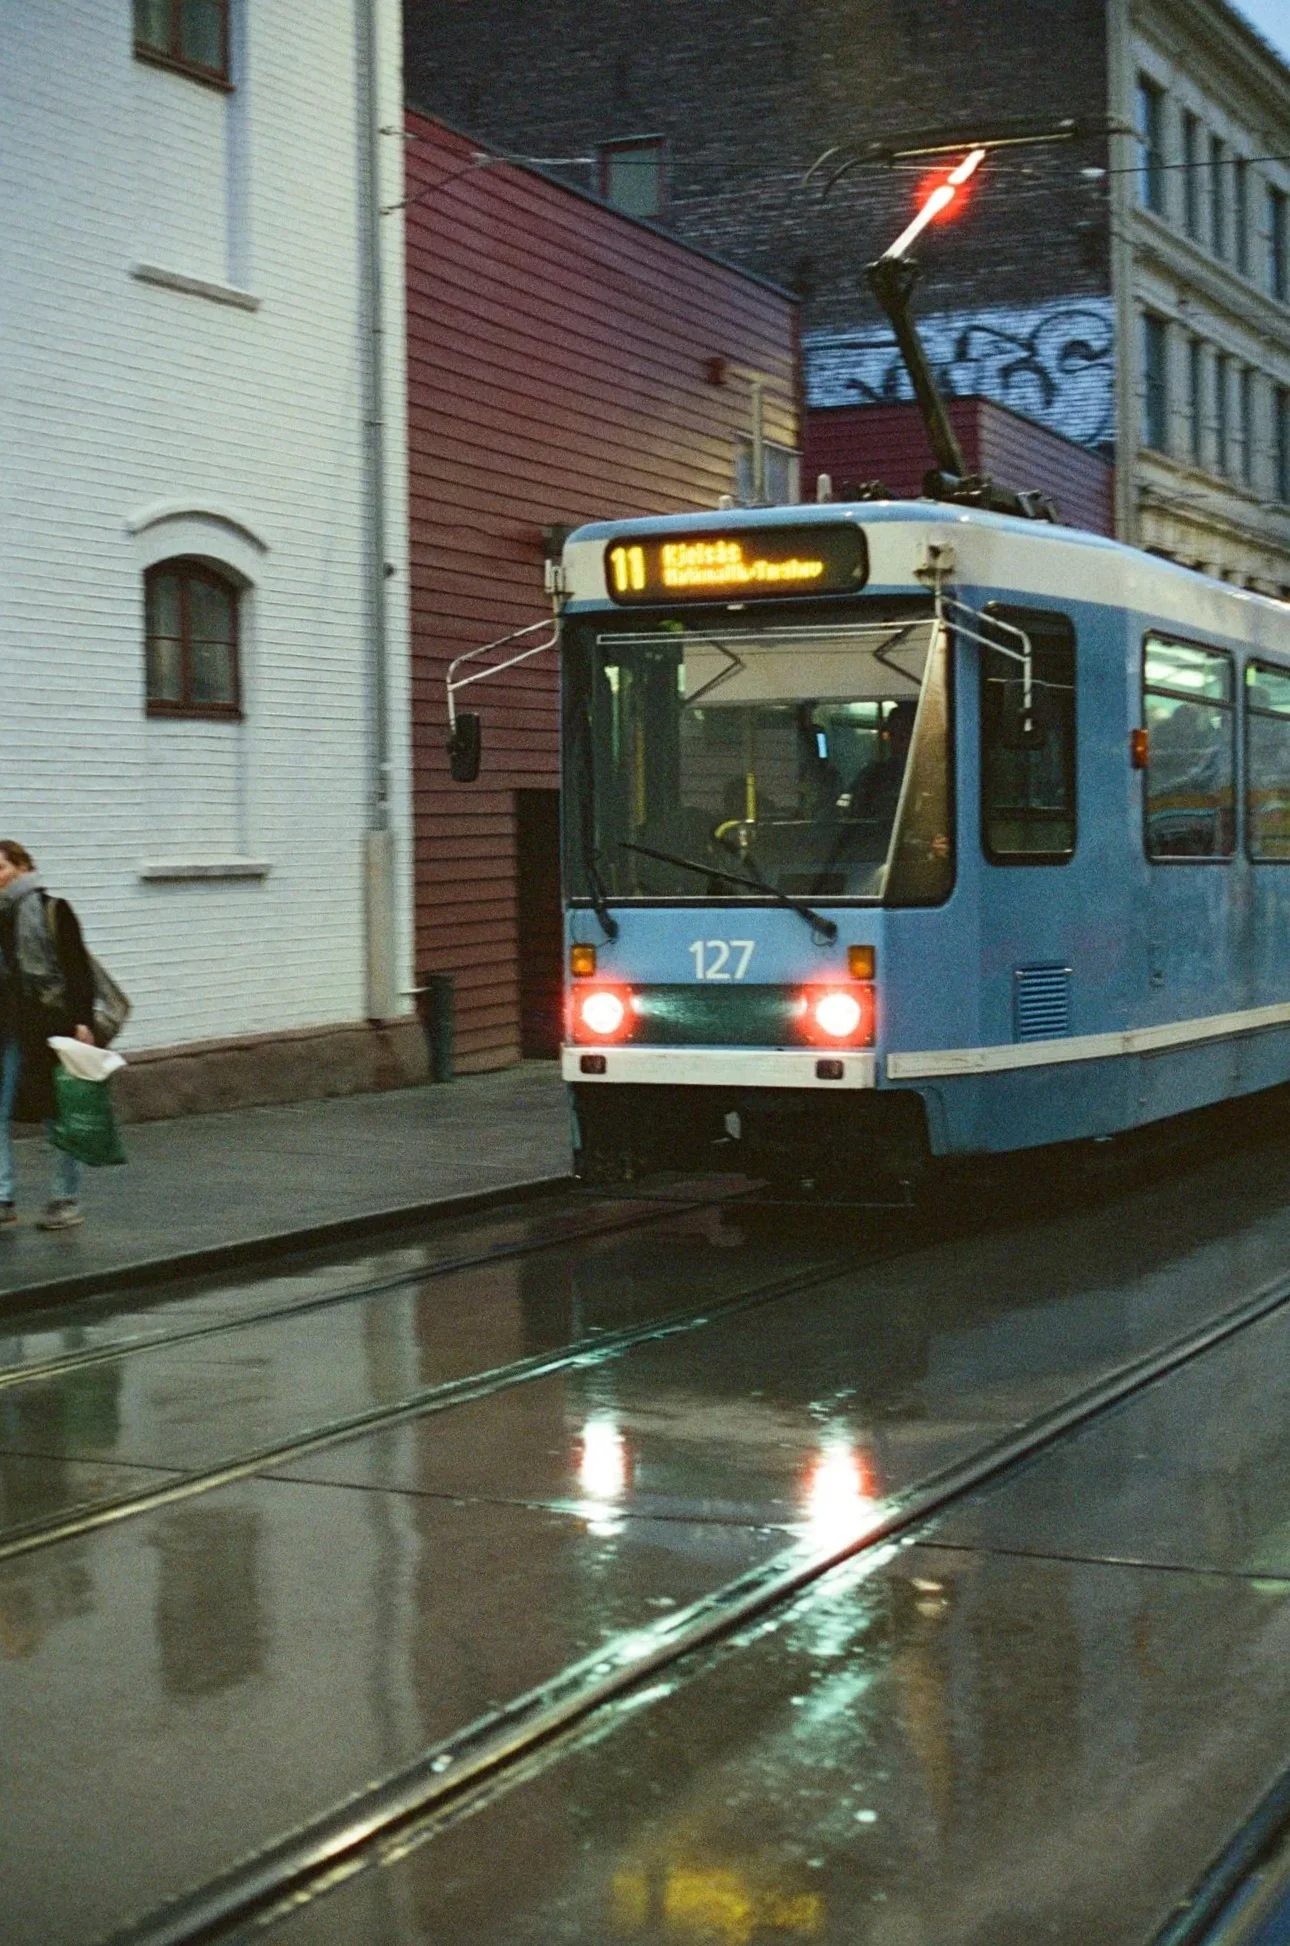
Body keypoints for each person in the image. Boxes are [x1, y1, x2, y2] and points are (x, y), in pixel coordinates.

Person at [0, 841, 96, 1231]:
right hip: (6, 1030)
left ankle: (64, 1199)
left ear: (22, 867)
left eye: (0, 867)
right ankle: (3, 1198)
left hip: (49, 1028)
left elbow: (78, 972)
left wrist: (82, 1021)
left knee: (58, 1116)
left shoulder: (54, 911)